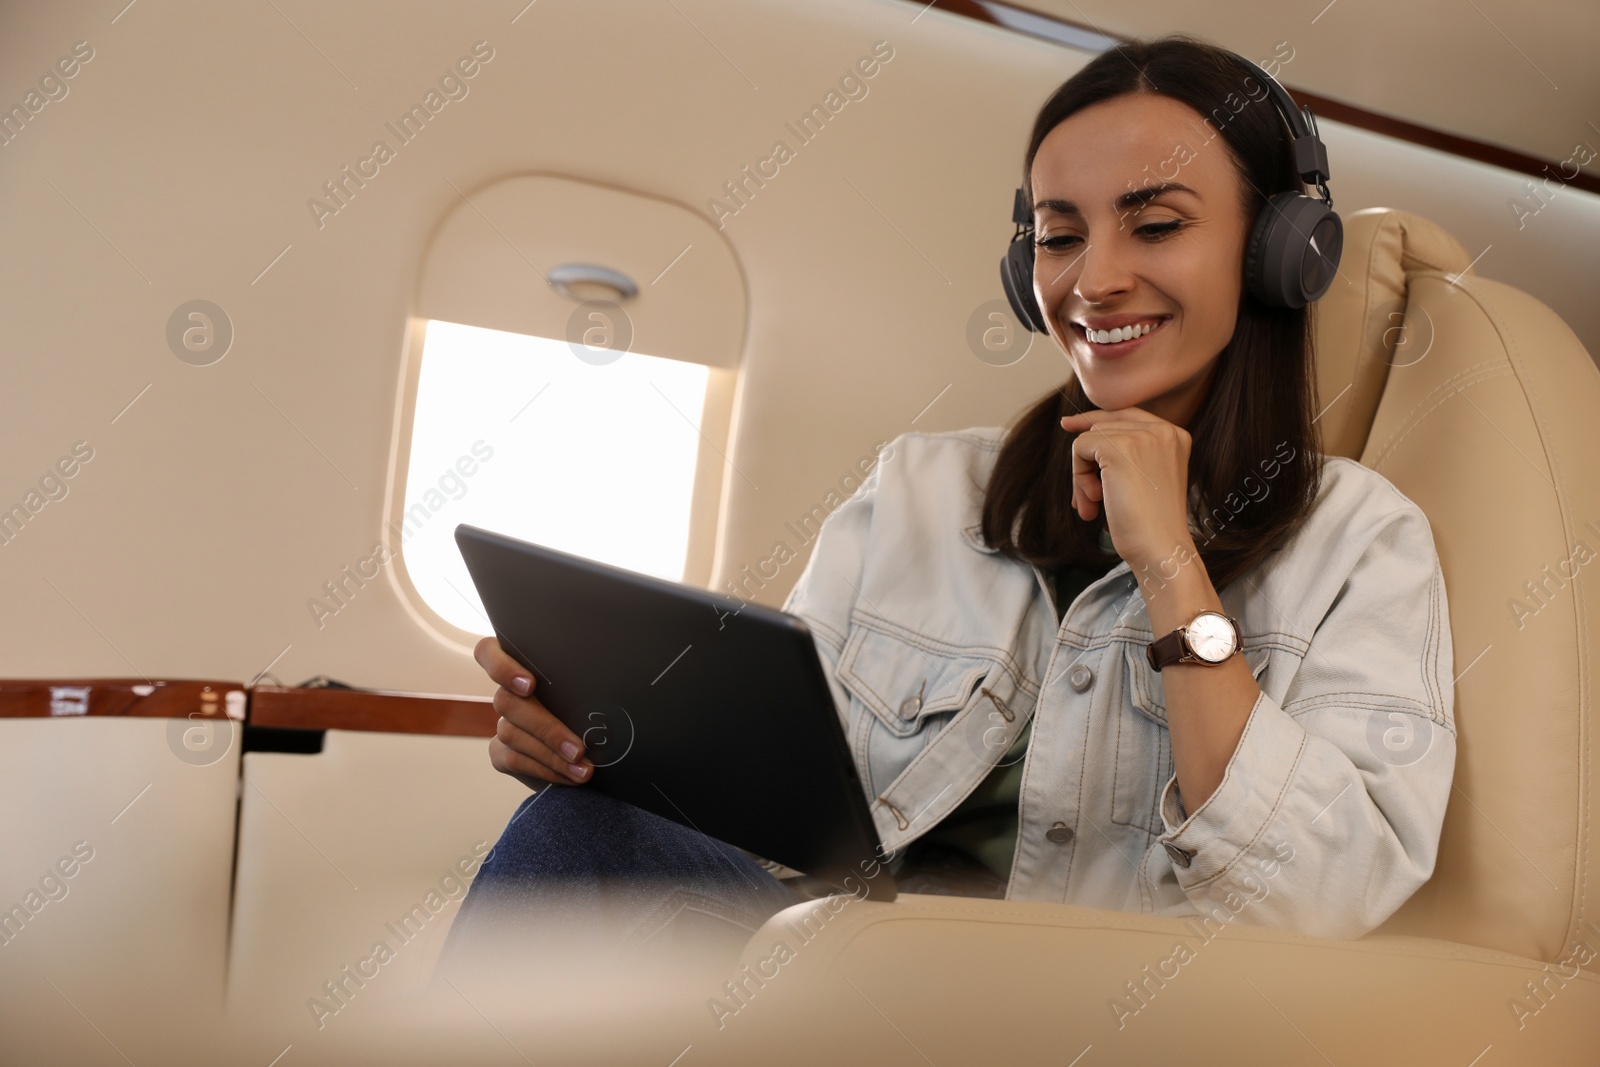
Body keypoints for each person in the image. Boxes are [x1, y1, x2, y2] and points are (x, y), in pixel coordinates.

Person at [440, 32, 1456, 976]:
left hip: (1087, 1012)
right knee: (581, 837)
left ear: (1280, 252)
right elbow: (776, 814)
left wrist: (1169, 568)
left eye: (1154, 225)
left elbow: (1321, 898)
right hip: (838, 975)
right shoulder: (923, 490)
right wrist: (597, 752)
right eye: (1060, 238)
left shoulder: (1365, 543)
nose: (1094, 280)